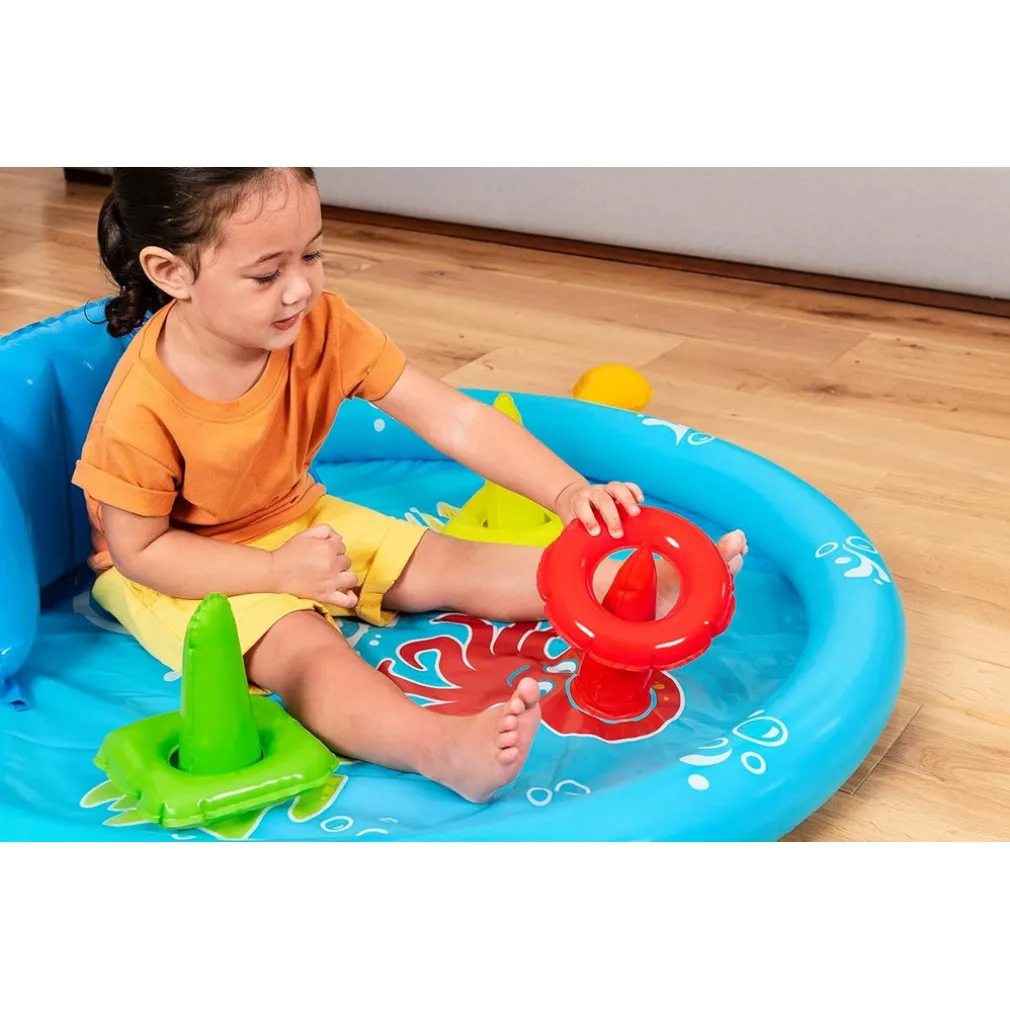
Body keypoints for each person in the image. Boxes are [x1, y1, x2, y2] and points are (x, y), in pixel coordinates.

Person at [72, 168, 748, 803]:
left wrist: (568, 493)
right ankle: (438, 748)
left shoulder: (320, 326)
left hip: (291, 517)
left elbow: (453, 417)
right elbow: (141, 552)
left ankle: (624, 588)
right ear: (172, 272)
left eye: (312, 254)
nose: (300, 289)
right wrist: (276, 573)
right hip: (179, 569)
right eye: (266, 273)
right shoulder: (141, 409)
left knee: (449, 561)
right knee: (305, 651)